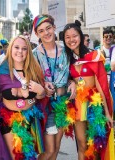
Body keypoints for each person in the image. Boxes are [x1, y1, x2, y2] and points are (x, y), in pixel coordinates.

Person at [62, 20, 114, 160]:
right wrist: (71, 81)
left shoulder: (93, 56)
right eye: (67, 37)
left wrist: (108, 113)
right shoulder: (66, 59)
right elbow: (66, 78)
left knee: (95, 145)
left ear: (80, 36)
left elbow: (101, 86)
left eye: (74, 36)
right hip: (77, 104)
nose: (71, 40)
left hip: (94, 105)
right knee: (81, 144)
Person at [0, 35, 46, 160]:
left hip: (30, 118)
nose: (20, 51)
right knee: (17, 157)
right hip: (10, 119)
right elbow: (1, 94)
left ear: (28, 51)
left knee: (31, 156)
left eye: (24, 48)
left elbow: (40, 95)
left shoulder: (34, 69)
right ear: (10, 49)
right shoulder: (3, 70)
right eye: (16, 47)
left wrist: (41, 90)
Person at [32, 14, 76, 160]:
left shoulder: (66, 51)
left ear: (54, 28)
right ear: (37, 34)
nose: (46, 33)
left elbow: (72, 73)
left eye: (48, 28)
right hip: (45, 105)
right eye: (41, 31)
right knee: (48, 150)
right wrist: (43, 84)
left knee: (56, 148)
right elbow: (29, 79)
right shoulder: (34, 55)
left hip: (62, 104)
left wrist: (72, 82)